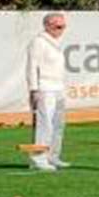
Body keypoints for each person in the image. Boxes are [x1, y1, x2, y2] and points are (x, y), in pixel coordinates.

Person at [24, 12, 70, 172]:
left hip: (59, 88)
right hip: (45, 88)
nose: (61, 29)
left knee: (58, 124)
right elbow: (31, 67)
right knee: (45, 125)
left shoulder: (56, 42)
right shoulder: (38, 42)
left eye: (63, 26)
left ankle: (53, 156)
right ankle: (38, 158)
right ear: (47, 26)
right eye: (58, 26)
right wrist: (34, 89)